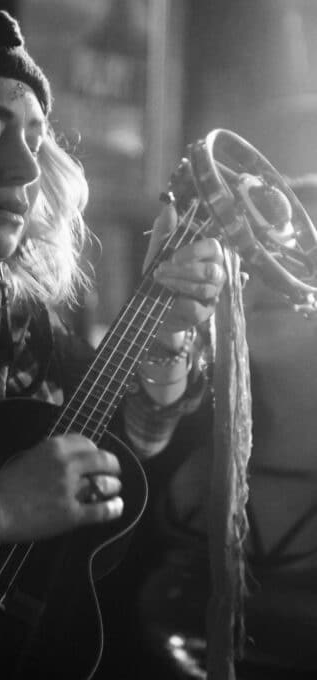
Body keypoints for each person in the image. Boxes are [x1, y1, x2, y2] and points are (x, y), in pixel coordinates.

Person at [0, 3, 226, 679]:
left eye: (36, 141)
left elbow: (109, 465)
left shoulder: (19, 318)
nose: (25, 168)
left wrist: (165, 338)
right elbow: (28, 495)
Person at [138, 174, 317, 680]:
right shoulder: (193, 423)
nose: (268, 275)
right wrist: (161, 321)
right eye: (253, 253)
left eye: (301, 256)